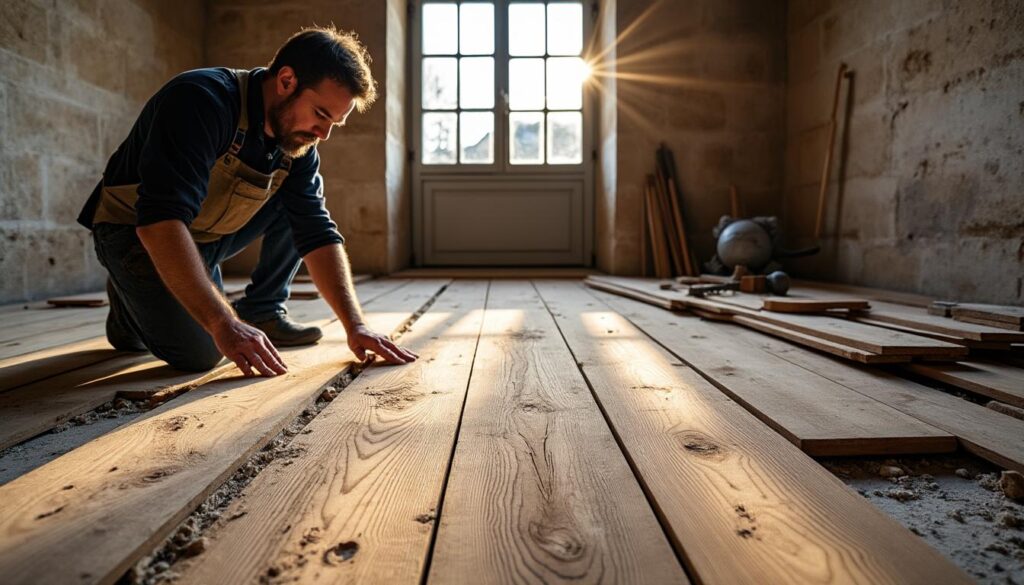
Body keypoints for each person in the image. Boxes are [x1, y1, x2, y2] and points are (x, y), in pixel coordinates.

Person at [76, 26, 417, 377]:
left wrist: (355, 325)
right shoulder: (201, 101)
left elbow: (317, 232)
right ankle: (127, 314)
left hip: (202, 238)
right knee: (203, 352)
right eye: (320, 114)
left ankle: (262, 309)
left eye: (335, 123)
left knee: (297, 206)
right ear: (286, 80)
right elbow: (159, 222)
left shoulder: (297, 142)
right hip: (134, 233)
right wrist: (223, 323)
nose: (323, 134)